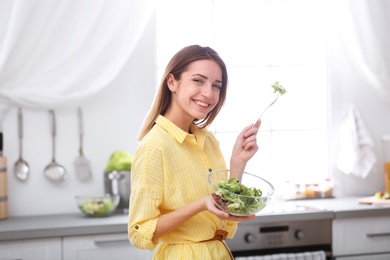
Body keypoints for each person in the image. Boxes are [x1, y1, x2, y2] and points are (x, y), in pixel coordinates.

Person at [128, 45, 261, 259]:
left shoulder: (208, 141)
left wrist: (237, 165)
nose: (208, 93)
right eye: (198, 80)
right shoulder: (155, 146)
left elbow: (226, 220)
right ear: (172, 82)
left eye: (216, 85)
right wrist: (201, 205)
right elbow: (140, 232)